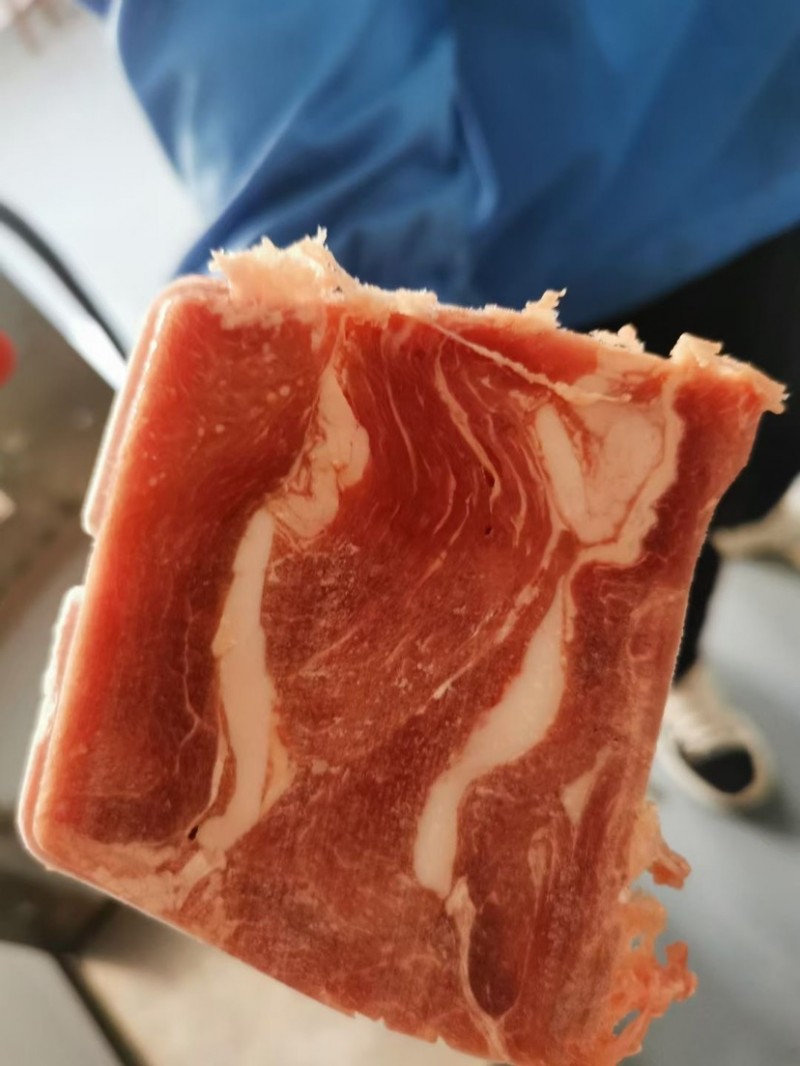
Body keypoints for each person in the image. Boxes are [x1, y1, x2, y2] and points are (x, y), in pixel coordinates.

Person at [82, 0, 800, 810]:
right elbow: (312, 133)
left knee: (756, 440)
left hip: (766, 123)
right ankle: (677, 668)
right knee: (637, 542)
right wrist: (364, 388)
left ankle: (750, 511)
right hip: (570, 220)